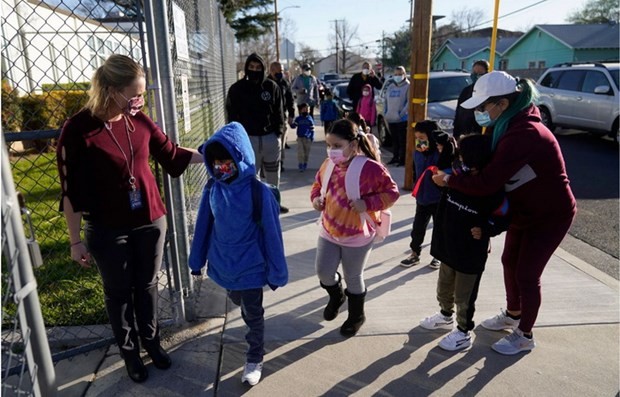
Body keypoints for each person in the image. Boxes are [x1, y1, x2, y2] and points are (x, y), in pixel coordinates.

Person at [56, 54, 203, 383]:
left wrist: (214, 155)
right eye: (133, 94)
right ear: (110, 90)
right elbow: (70, 192)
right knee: (119, 293)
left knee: (147, 287)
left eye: (141, 94)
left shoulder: (139, 121)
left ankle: (151, 342)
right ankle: (129, 353)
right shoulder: (78, 130)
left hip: (150, 220)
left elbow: (172, 153)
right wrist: (75, 240)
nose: (139, 100)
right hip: (108, 228)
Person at [432, 71, 576, 355]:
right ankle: (513, 313)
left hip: (550, 214)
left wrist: (450, 181)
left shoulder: (525, 133)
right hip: (523, 211)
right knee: (509, 260)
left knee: (527, 273)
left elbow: (487, 182)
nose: (480, 113)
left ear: (503, 104)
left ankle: (524, 334)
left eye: (484, 107)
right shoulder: (508, 125)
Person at [188, 122, 288, 385]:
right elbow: (203, 227)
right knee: (237, 300)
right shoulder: (213, 189)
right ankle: (243, 308)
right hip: (224, 266)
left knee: (253, 314)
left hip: (252, 268)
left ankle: (255, 357)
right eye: (216, 161)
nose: (221, 166)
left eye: (227, 160)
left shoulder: (259, 192)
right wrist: (196, 260)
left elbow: (272, 235)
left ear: (240, 158)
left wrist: (277, 272)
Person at [310, 119, 399, 337]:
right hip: (329, 230)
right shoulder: (328, 165)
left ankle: (356, 315)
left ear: (353, 143)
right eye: (329, 145)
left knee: (353, 276)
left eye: (337, 146)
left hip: (357, 235)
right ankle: (336, 295)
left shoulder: (370, 168)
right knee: (323, 272)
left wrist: (368, 204)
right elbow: (317, 186)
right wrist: (315, 200)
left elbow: (392, 192)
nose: (332, 151)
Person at [421, 133, 510, 351]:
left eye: (464, 157)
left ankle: (463, 332)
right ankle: (445, 315)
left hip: (470, 252)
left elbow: (504, 215)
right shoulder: (456, 175)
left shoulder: (491, 188)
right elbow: (442, 190)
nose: (460, 161)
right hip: (449, 245)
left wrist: (488, 229)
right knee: (444, 289)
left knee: (464, 296)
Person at [226, 53, 288, 213]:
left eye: (258, 67)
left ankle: (274, 203)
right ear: (246, 68)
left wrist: (278, 133)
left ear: (263, 68)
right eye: (251, 67)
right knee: (251, 176)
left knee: (274, 175)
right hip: (248, 141)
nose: (255, 70)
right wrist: (238, 140)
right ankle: (253, 206)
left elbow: (279, 112)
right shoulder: (237, 89)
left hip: (270, 139)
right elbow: (232, 116)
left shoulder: (271, 87)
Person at [400, 120, 445, 269]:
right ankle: (415, 253)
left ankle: (438, 255)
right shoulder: (417, 153)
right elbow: (415, 171)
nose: (419, 141)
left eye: (422, 138)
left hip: (438, 198)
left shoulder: (441, 153)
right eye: (417, 137)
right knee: (418, 226)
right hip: (422, 197)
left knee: (439, 228)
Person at [453, 59, 490, 139]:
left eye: (479, 74)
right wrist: (456, 135)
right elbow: (458, 115)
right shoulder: (466, 91)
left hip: (481, 137)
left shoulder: (490, 92)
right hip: (464, 135)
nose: (476, 76)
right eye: (474, 73)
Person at [268, 61, 295, 167]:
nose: (281, 73)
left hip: (282, 116)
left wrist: (291, 114)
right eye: (279, 71)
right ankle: (269, 162)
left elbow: (290, 98)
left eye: (282, 71)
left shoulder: (284, 82)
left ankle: (280, 162)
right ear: (272, 71)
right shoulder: (265, 83)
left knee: (281, 140)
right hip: (269, 118)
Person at [383, 66, 410, 166]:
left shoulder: (408, 86)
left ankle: (402, 159)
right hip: (391, 118)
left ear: (404, 74)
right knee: (394, 140)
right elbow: (385, 101)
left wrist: (401, 114)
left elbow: (408, 103)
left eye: (400, 74)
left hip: (402, 119)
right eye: (396, 74)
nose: (398, 76)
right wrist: (386, 112)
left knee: (402, 140)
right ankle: (395, 157)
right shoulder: (390, 86)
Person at [290, 102, 315, 172]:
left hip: (307, 138)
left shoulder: (310, 118)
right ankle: (300, 164)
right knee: (300, 152)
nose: (305, 111)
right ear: (301, 110)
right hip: (300, 137)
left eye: (307, 109)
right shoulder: (298, 119)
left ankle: (305, 163)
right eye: (304, 109)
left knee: (306, 152)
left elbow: (312, 128)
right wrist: (290, 123)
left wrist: (312, 137)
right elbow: (294, 126)